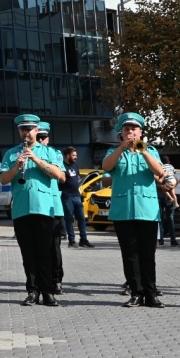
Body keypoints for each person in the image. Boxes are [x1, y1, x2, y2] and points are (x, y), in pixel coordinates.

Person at [102, 112, 167, 307]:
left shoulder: (151, 150)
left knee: (148, 254)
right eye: (127, 129)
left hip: (147, 210)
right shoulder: (114, 151)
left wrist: (144, 151)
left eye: (134, 129)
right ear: (121, 132)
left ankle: (151, 293)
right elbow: (106, 167)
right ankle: (136, 292)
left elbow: (160, 172)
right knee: (130, 255)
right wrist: (122, 147)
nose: (131, 132)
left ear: (141, 132)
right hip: (123, 210)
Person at [1, 113, 66, 307]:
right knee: (27, 253)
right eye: (23, 129)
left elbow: (59, 176)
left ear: (37, 131)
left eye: (29, 129)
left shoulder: (48, 152)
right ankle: (32, 291)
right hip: (21, 209)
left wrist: (36, 159)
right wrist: (16, 166)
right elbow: (4, 179)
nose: (26, 133)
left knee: (44, 252)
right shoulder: (11, 153)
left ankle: (47, 291)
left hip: (44, 208)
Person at [36, 120, 67, 293]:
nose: (41, 141)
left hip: (52, 206)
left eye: (43, 137)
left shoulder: (54, 154)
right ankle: (41, 281)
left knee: (54, 246)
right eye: (38, 137)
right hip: (34, 206)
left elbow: (61, 177)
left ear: (48, 138)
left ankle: (56, 279)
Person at [61, 146, 92, 248]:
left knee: (82, 219)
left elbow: (77, 180)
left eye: (76, 155)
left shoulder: (75, 166)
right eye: (74, 155)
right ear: (68, 155)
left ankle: (83, 240)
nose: (76, 157)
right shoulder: (62, 166)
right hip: (67, 196)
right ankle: (72, 240)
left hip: (77, 196)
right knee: (69, 219)